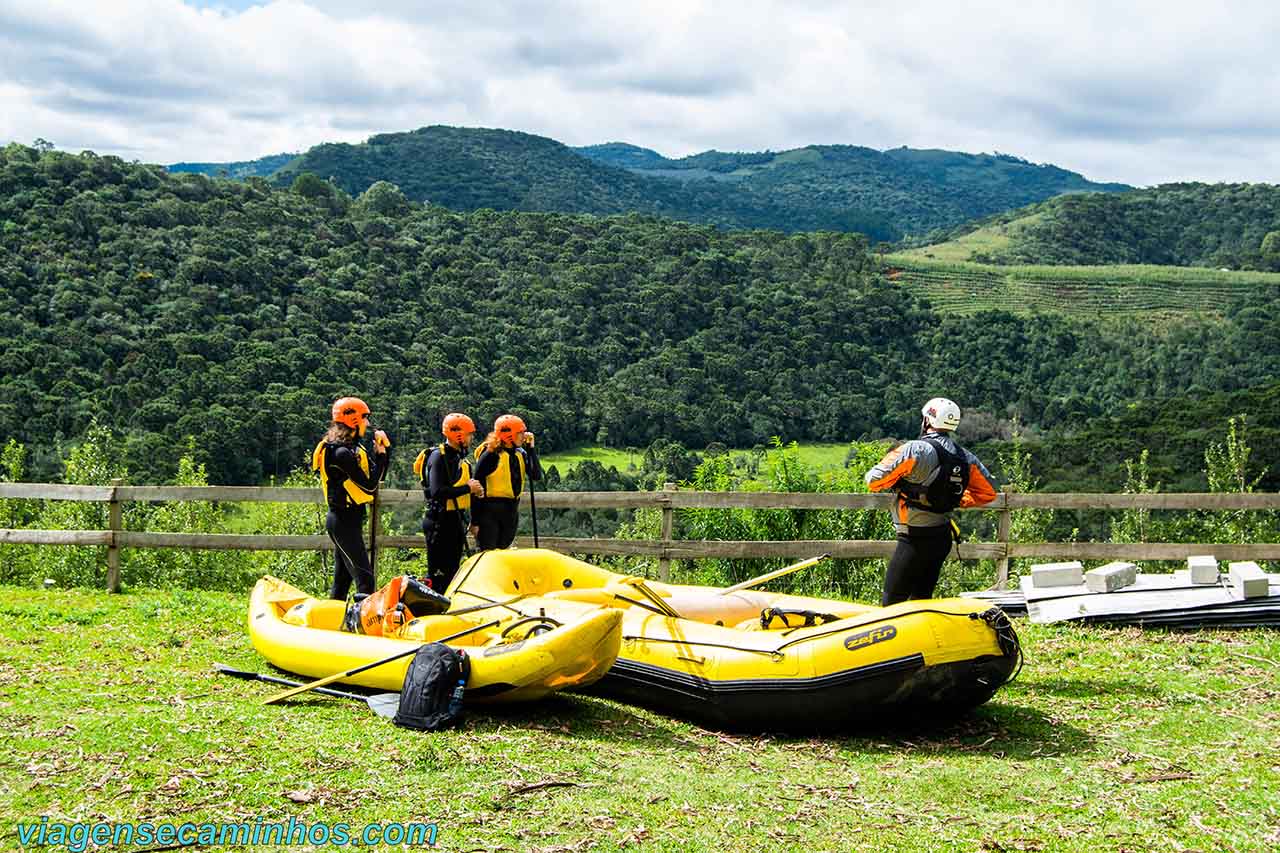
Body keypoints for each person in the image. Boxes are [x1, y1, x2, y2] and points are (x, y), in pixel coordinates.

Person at [864, 397, 997, 606]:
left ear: (927, 420)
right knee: (922, 600)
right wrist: (955, 499)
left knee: (892, 602)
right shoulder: (966, 457)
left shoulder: (914, 449)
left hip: (913, 537)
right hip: (941, 537)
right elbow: (988, 493)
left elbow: (873, 480)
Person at [311, 396, 391, 601]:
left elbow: (376, 477)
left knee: (342, 581)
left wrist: (384, 453)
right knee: (365, 578)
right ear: (353, 421)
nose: (368, 423)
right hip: (342, 521)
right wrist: (381, 456)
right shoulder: (341, 453)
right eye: (365, 418)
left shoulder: (353, 449)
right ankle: (365, 626)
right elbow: (371, 486)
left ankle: (333, 622)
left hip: (349, 520)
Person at [413, 412, 484, 591]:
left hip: (455, 520)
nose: (471, 438)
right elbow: (437, 492)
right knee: (439, 576)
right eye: (469, 434)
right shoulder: (438, 457)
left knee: (452, 572)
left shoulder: (457, 458)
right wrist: (468, 488)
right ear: (458, 435)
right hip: (439, 521)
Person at [471, 414, 541, 550]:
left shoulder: (520, 453)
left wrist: (531, 449)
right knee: (489, 554)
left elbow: (536, 475)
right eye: (520, 433)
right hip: (490, 512)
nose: (524, 435)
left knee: (504, 551)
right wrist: (475, 521)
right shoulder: (490, 455)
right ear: (509, 436)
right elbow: (476, 489)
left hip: (511, 510)